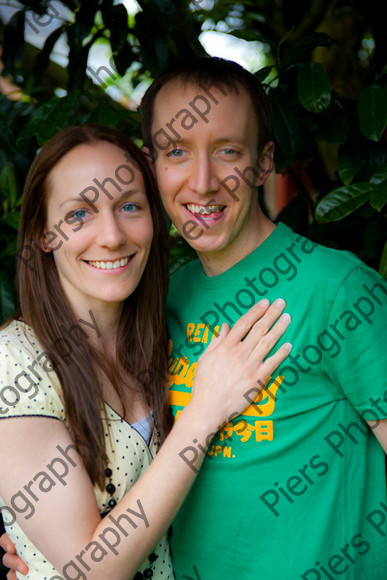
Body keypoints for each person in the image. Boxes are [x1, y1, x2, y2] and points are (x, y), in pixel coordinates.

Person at [3, 56, 387, 578]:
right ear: (153, 165)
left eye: (228, 151)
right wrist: (40, 542)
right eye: (177, 153)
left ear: (264, 161)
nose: (202, 182)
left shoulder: (339, 290)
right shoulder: (162, 300)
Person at [0, 123, 293, 579]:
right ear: (42, 233)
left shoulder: (166, 336)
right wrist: (203, 413)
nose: (113, 235)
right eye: (78, 214)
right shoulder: (14, 364)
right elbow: (92, 569)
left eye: (130, 206)